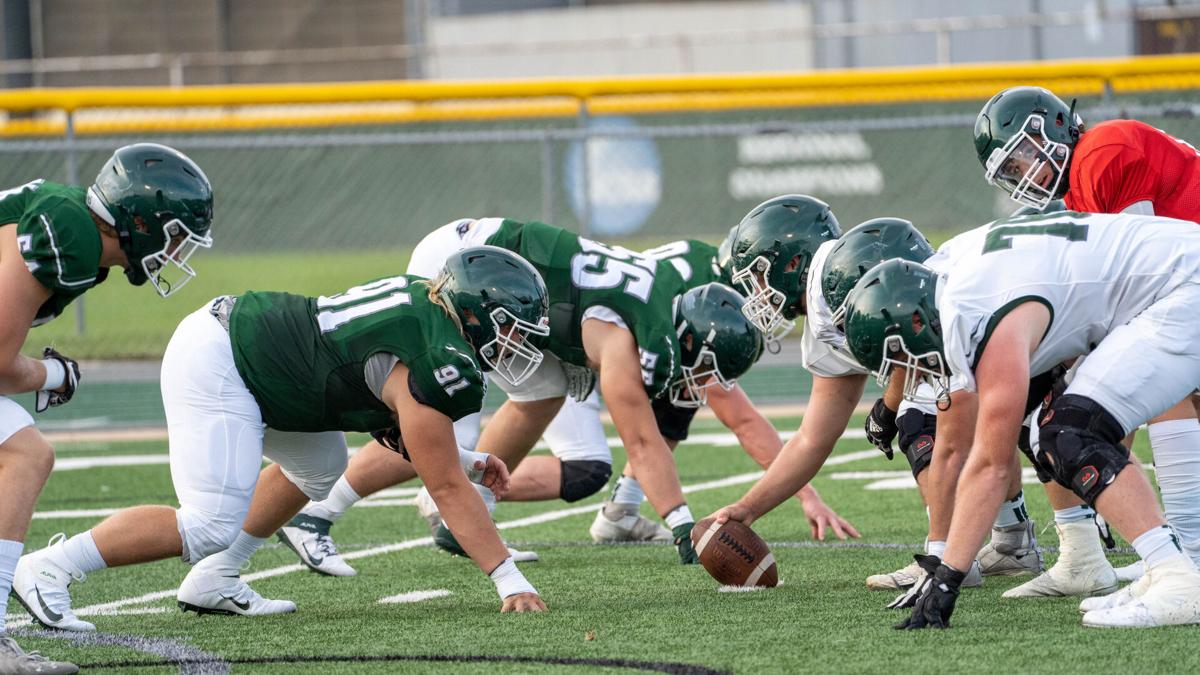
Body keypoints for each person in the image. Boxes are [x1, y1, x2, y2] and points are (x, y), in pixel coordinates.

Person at [14, 245, 552, 631]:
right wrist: (509, 579)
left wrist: (467, 457)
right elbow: (447, 487)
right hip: (224, 359)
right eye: (512, 327)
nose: (516, 343)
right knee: (207, 522)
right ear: (479, 312)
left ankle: (215, 580)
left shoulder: (427, 313)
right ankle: (50, 568)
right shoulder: (438, 358)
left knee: (321, 464)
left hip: (254, 358)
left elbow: (411, 432)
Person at [279, 217, 762, 573]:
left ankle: (466, 518)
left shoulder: (659, 306)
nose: (701, 386)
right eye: (704, 369)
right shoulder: (621, 339)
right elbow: (640, 441)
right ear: (690, 339)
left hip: (509, 280)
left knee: (544, 392)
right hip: (466, 265)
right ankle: (315, 513)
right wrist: (681, 521)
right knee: (433, 410)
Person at [843, 209, 1200, 628]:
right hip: (1169, 277)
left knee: (1069, 432)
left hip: (1181, 286)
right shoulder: (958, 273)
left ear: (917, 320)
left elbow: (990, 466)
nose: (914, 375)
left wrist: (947, 577)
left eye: (903, 358)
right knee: (1047, 430)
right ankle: (1169, 568)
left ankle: (1179, 580)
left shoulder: (979, 315)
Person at [708, 216, 1041, 594]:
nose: (758, 292)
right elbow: (812, 439)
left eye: (760, 275)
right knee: (944, 412)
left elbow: (913, 337)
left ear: (790, 264)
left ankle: (945, 556)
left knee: (921, 418)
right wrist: (750, 508)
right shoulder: (826, 297)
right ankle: (1012, 541)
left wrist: (891, 406)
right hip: (996, 323)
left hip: (1000, 314)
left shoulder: (836, 285)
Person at [975, 85, 1200, 593]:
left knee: (1159, 389)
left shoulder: (1104, 153)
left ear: (1052, 128)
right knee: (1084, 400)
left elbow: (1144, 281)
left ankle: (1188, 553)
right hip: (1186, 283)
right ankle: (1132, 551)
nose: (1022, 178)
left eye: (1021, 160)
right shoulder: (1077, 190)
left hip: (1185, 282)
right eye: (1010, 174)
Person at [0, 143, 212, 674]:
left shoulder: (83, 243)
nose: (178, 252)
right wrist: (54, 373)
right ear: (139, 222)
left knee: (25, 453)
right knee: (25, 457)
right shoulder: (67, 233)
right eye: (176, 235)